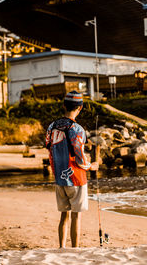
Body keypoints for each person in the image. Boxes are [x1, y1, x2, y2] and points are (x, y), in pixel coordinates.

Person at [46, 91, 99, 248]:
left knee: (64, 215)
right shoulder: (77, 129)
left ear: (64, 106)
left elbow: (49, 150)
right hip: (76, 178)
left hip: (59, 179)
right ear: (80, 108)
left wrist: (56, 172)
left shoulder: (52, 126)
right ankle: (75, 249)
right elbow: (80, 157)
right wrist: (92, 166)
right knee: (76, 216)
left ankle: (62, 248)